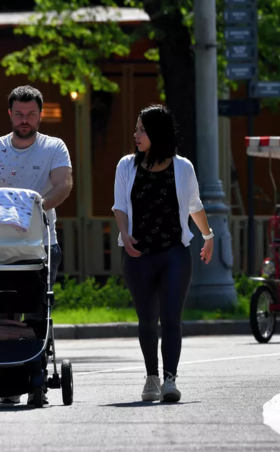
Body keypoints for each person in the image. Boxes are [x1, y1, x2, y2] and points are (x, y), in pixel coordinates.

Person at [0, 85, 73, 405]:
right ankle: (4, 376)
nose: (25, 120)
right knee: (1, 309)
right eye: (19, 114)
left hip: (41, 243)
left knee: (37, 307)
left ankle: (33, 372)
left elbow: (63, 184)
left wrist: (36, 210)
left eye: (31, 114)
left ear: (40, 115)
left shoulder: (54, 147)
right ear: (10, 114)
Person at [112, 104, 214, 403]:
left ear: (157, 132)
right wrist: (125, 234)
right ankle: (151, 378)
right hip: (138, 254)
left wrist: (207, 236)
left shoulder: (183, 167)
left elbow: (194, 205)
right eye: (136, 128)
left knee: (171, 318)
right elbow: (119, 205)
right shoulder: (125, 166)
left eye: (142, 129)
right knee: (147, 319)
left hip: (175, 254)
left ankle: (170, 379)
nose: (136, 134)